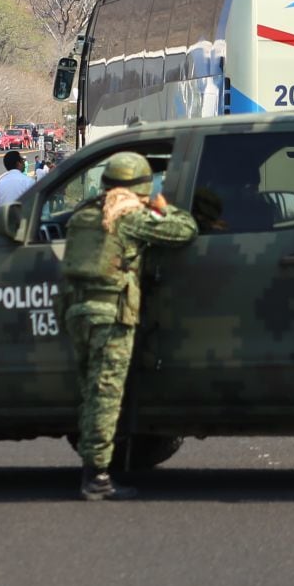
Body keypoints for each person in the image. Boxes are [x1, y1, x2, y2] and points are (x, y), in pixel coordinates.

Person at [61, 151, 197, 500]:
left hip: (77, 314)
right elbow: (185, 231)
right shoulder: (129, 217)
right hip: (112, 316)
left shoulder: (82, 215)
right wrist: (162, 206)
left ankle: (96, 463)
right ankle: (96, 477)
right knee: (105, 395)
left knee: (90, 393)